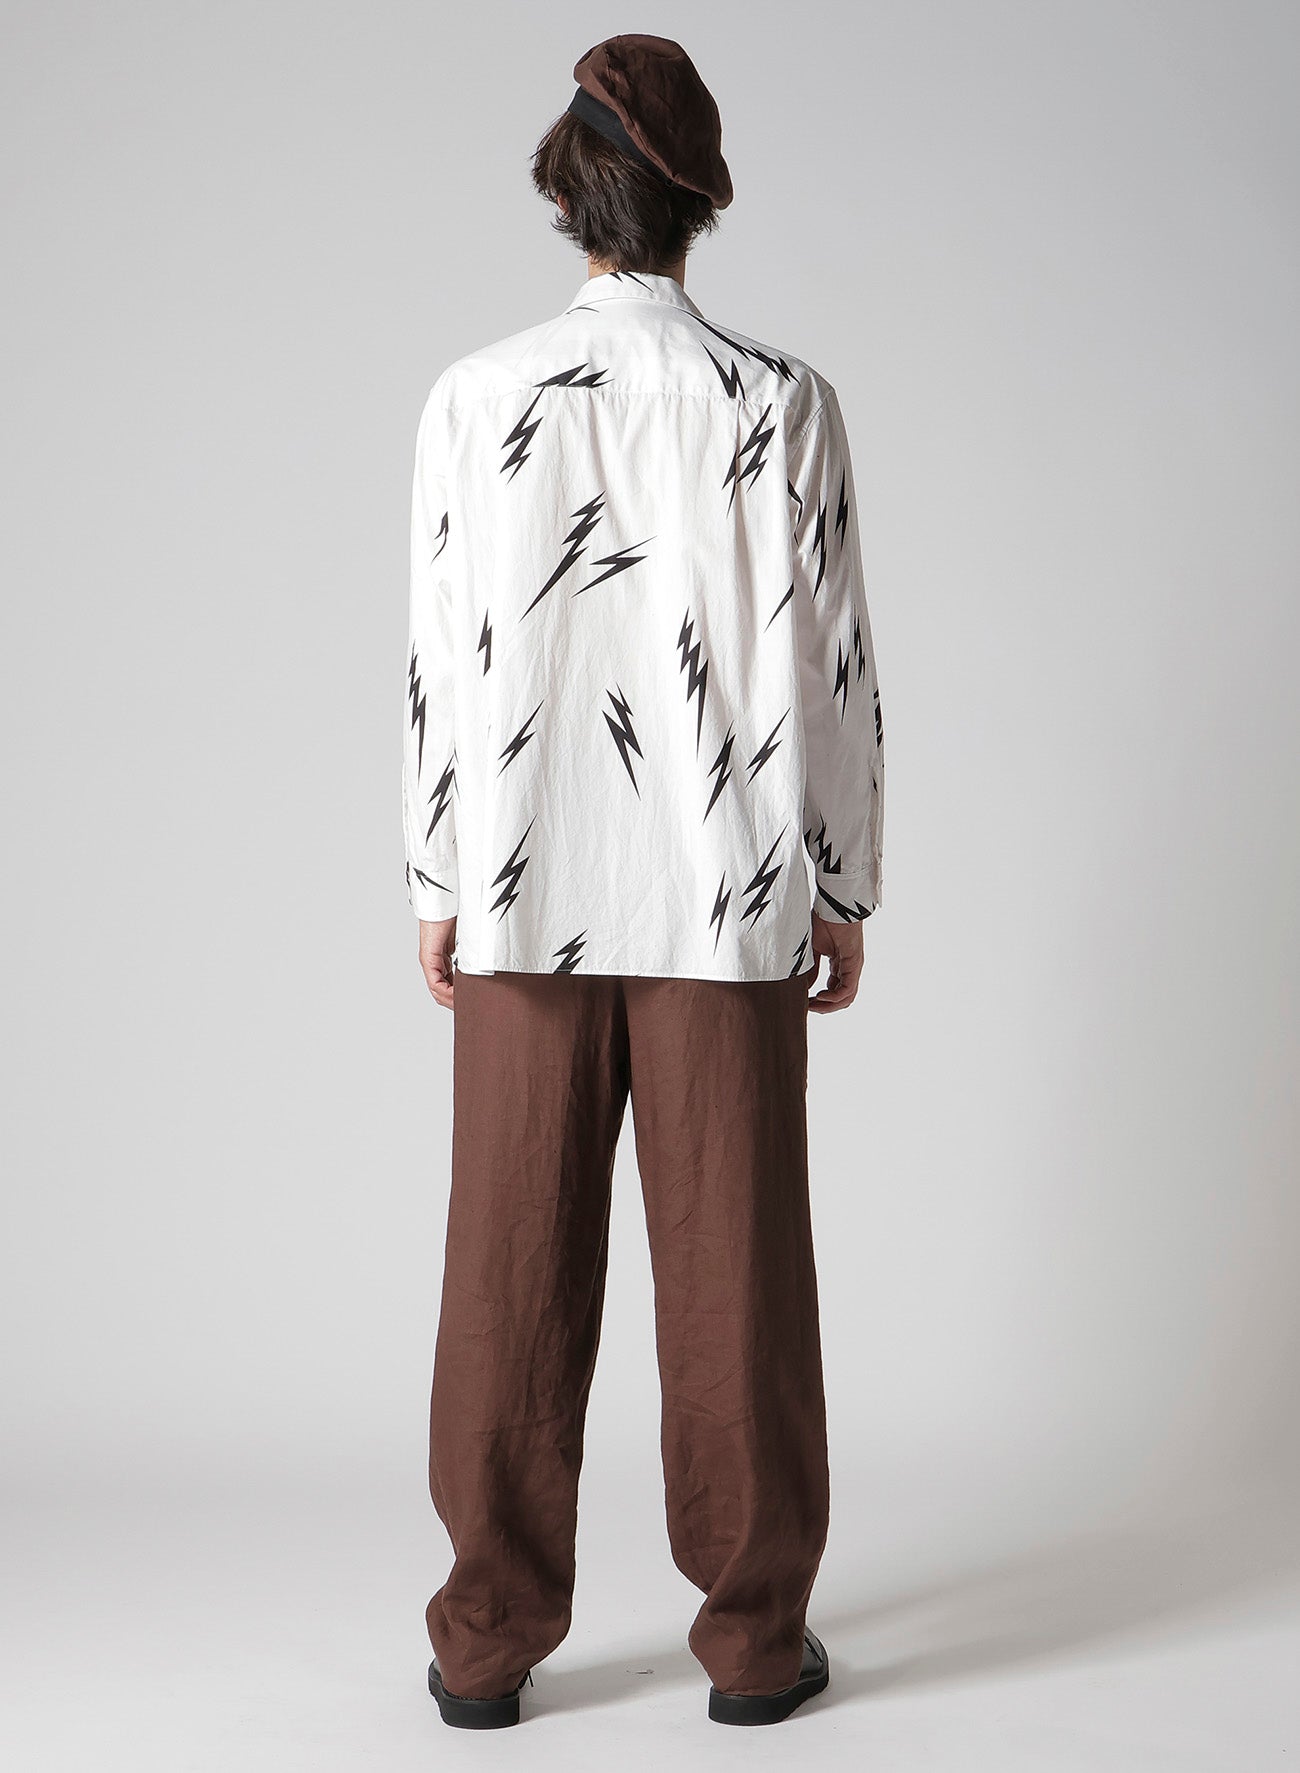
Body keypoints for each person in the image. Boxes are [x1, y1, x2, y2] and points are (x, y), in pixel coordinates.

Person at [402, 33, 885, 1731]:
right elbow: (833, 665)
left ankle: (484, 1642)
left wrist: (438, 872)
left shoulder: (475, 397)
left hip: (522, 890)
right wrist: (843, 882)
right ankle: (753, 1647)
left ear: (567, 190)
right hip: (727, 902)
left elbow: (442, 654)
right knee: (739, 1280)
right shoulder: (780, 400)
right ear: (698, 205)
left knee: (507, 1271)